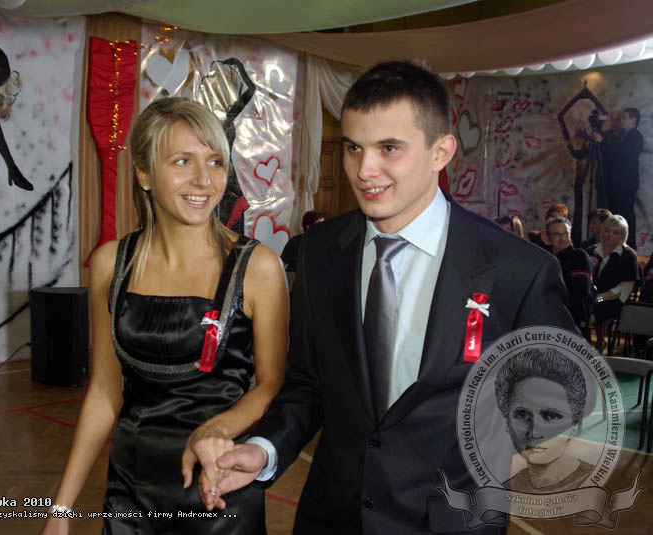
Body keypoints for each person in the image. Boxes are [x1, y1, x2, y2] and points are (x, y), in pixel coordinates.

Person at [194, 60, 576, 534]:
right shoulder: (318, 252)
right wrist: (264, 448)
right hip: (331, 520)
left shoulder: (518, 269)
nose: (364, 170)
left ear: (441, 152)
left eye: (388, 148)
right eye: (353, 147)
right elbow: (309, 383)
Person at [40, 97, 288, 534]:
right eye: (182, 161)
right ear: (143, 174)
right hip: (130, 490)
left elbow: (271, 386)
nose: (203, 180)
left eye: (215, 162)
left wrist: (216, 428)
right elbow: (104, 393)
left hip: (219, 488)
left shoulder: (258, 267)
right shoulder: (110, 264)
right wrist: (60, 512)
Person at [496, 348, 595, 493]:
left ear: (576, 426)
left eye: (551, 416)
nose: (534, 432)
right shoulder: (506, 488)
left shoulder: (595, 488)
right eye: (522, 415)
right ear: (507, 422)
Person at [587, 214, 641, 352]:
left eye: (615, 233)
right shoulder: (591, 250)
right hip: (590, 297)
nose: (609, 235)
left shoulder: (628, 255)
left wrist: (598, 298)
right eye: (607, 230)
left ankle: (587, 347)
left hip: (612, 301)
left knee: (586, 314)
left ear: (622, 236)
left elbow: (623, 289)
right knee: (575, 309)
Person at [592, 108, 643, 249]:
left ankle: (629, 247)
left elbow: (623, 152)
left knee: (625, 217)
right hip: (616, 186)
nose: (621, 121)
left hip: (625, 186)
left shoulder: (635, 136)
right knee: (616, 216)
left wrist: (602, 141)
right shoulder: (622, 136)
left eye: (624, 118)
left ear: (633, 119)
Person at [546, 216, 594, 330]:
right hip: (548, 311)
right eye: (557, 234)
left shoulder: (579, 256)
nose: (563, 238)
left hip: (571, 316)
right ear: (548, 238)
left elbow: (580, 291)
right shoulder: (546, 258)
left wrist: (554, 305)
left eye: (565, 233)